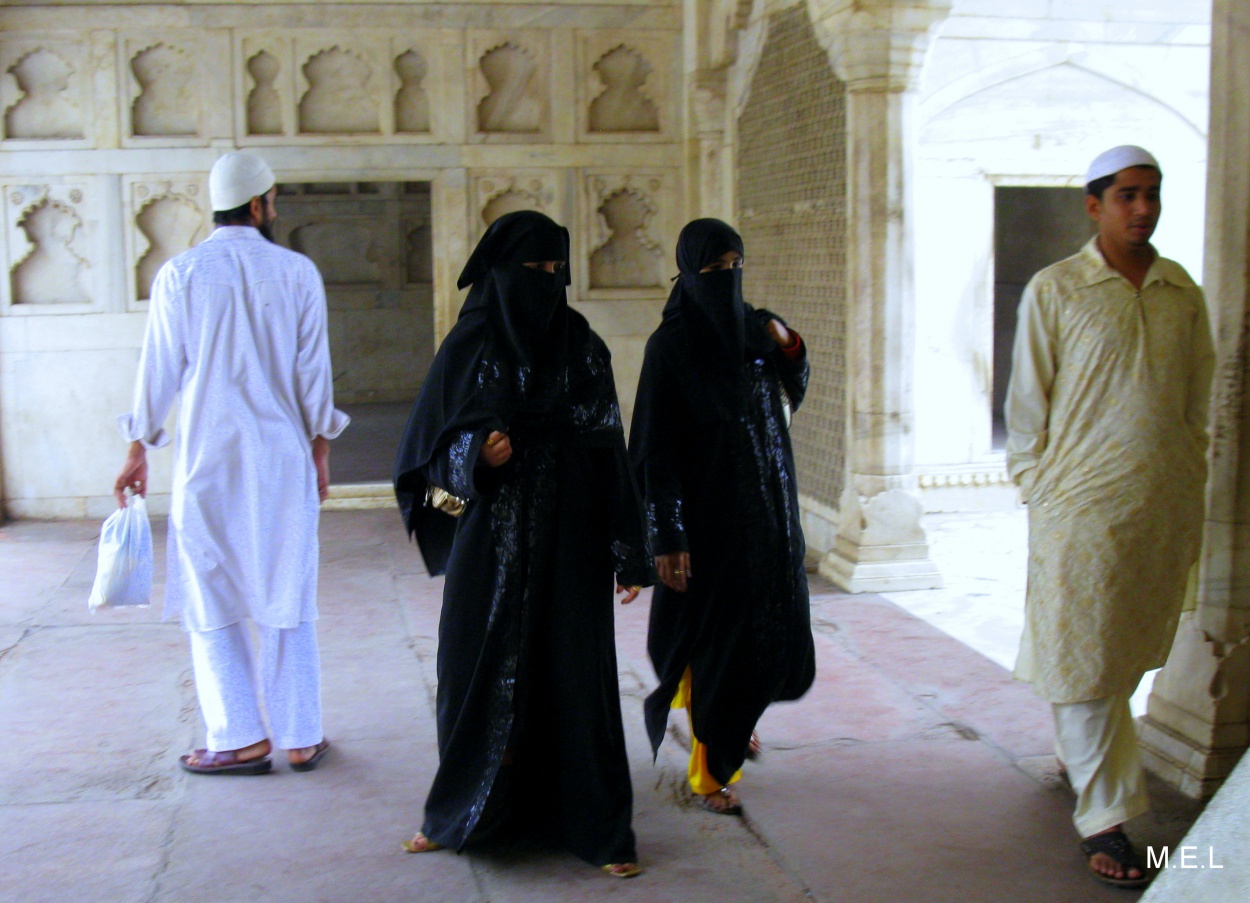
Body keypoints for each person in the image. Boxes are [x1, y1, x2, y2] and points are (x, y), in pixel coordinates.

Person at [393, 210, 654, 878]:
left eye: (555, 272)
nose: (546, 284)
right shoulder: (469, 346)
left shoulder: (581, 344)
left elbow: (607, 447)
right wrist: (472, 456)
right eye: (531, 271)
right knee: (477, 669)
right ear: (499, 273)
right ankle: (457, 812)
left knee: (574, 674)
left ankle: (596, 825)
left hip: (573, 536)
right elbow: (425, 455)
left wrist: (629, 545)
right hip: (492, 544)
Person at [1005, 145, 1214, 888]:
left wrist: (1188, 471)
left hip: (1160, 505)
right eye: (1126, 195)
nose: (1142, 208)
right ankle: (1109, 819)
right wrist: (1039, 485)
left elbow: (1199, 400)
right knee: (1084, 651)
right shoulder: (1058, 288)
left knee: (1121, 650)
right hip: (1079, 508)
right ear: (1094, 205)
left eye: (1151, 194)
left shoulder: (1179, 290)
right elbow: (1027, 402)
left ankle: (1083, 753)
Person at [113, 151, 347, 775]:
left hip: (205, 465)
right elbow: (313, 382)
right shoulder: (297, 272)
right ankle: (300, 735)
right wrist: (320, 450)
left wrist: (138, 448)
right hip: (280, 461)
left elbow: (158, 370)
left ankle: (239, 736)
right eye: (273, 201)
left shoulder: (180, 274)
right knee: (287, 588)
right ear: (259, 205)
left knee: (209, 593)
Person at [629, 218, 815, 816]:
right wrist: (667, 534)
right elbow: (654, 450)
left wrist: (788, 345)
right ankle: (712, 768)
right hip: (708, 526)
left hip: (768, 515)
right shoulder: (670, 348)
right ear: (687, 274)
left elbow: (795, 386)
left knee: (769, 636)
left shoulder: (755, 332)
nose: (728, 280)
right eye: (714, 271)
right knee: (721, 646)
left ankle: (730, 722)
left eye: (736, 268)